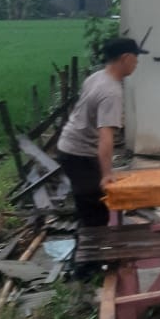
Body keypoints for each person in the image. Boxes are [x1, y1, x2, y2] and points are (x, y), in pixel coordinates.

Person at [57, 36, 147, 228]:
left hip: (69, 148)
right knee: (95, 213)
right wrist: (106, 174)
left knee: (88, 207)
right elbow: (106, 137)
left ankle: (87, 250)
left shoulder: (97, 77)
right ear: (125, 58)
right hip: (78, 154)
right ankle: (90, 256)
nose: (137, 63)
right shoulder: (111, 92)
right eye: (136, 58)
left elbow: (79, 111)